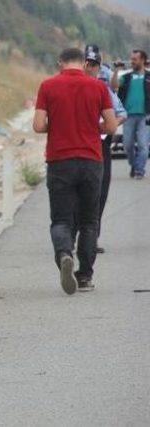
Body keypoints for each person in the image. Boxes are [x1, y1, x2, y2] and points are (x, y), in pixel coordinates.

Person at [33, 48, 117, 295]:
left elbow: (38, 125)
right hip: (91, 160)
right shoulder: (98, 87)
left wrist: (58, 123)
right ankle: (85, 276)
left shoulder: (48, 85)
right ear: (83, 63)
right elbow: (111, 126)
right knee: (89, 221)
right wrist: (92, 124)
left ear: (61, 63)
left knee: (61, 220)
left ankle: (64, 255)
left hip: (60, 161)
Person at [84, 46, 128, 256]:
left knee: (100, 191)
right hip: (80, 144)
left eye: (93, 65)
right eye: (86, 64)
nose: (89, 68)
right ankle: (77, 233)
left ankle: (92, 238)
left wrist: (108, 125)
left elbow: (121, 113)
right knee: (78, 192)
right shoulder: (73, 86)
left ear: (99, 67)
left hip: (101, 143)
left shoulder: (104, 89)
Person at [112, 49, 150, 179]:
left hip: (145, 116)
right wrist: (116, 70)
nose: (132, 61)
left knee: (143, 145)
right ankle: (134, 165)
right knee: (127, 145)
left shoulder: (149, 77)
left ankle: (139, 170)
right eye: (131, 59)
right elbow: (114, 86)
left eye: (135, 59)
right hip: (128, 116)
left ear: (143, 60)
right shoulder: (126, 77)